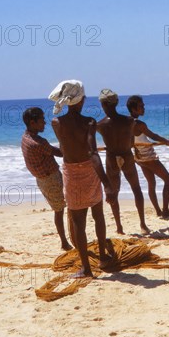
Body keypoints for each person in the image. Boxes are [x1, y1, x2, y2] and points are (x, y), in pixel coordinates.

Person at [49, 80, 115, 278]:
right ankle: (103, 257)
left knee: (78, 221)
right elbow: (93, 154)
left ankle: (86, 268)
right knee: (98, 215)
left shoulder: (56, 123)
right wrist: (107, 184)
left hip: (71, 173)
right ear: (80, 100)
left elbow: (64, 148)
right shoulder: (90, 123)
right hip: (90, 171)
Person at [97, 89, 149, 235]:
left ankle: (119, 226)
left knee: (114, 192)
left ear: (103, 104)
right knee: (136, 189)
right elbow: (132, 140)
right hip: (127, 157)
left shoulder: (100, 125)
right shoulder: (129, 121)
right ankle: (143, 224)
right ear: (116, 102)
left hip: (112, 159)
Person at [21, 107, 73, 251]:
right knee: (62, 209)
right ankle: (65, 242)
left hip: (42, 179)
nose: (44, 123)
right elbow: (61, 153)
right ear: (33, 122)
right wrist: (62, 135)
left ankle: (66, 239)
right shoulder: (39, 142)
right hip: (51, 179)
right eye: (42, 120)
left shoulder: (25, 137)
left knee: (59, 209)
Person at [126, 95, 169, 220]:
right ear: (133, 109)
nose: (144, 108)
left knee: (151, 183)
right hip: (148, 157)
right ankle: (165, 211)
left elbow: (130, 141)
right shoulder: (139, 124)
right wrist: (165, 141)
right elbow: (153, 136)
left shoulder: (126, 122)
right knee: (168, 180)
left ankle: (158, 211)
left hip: (138, 157)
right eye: (141, 106)